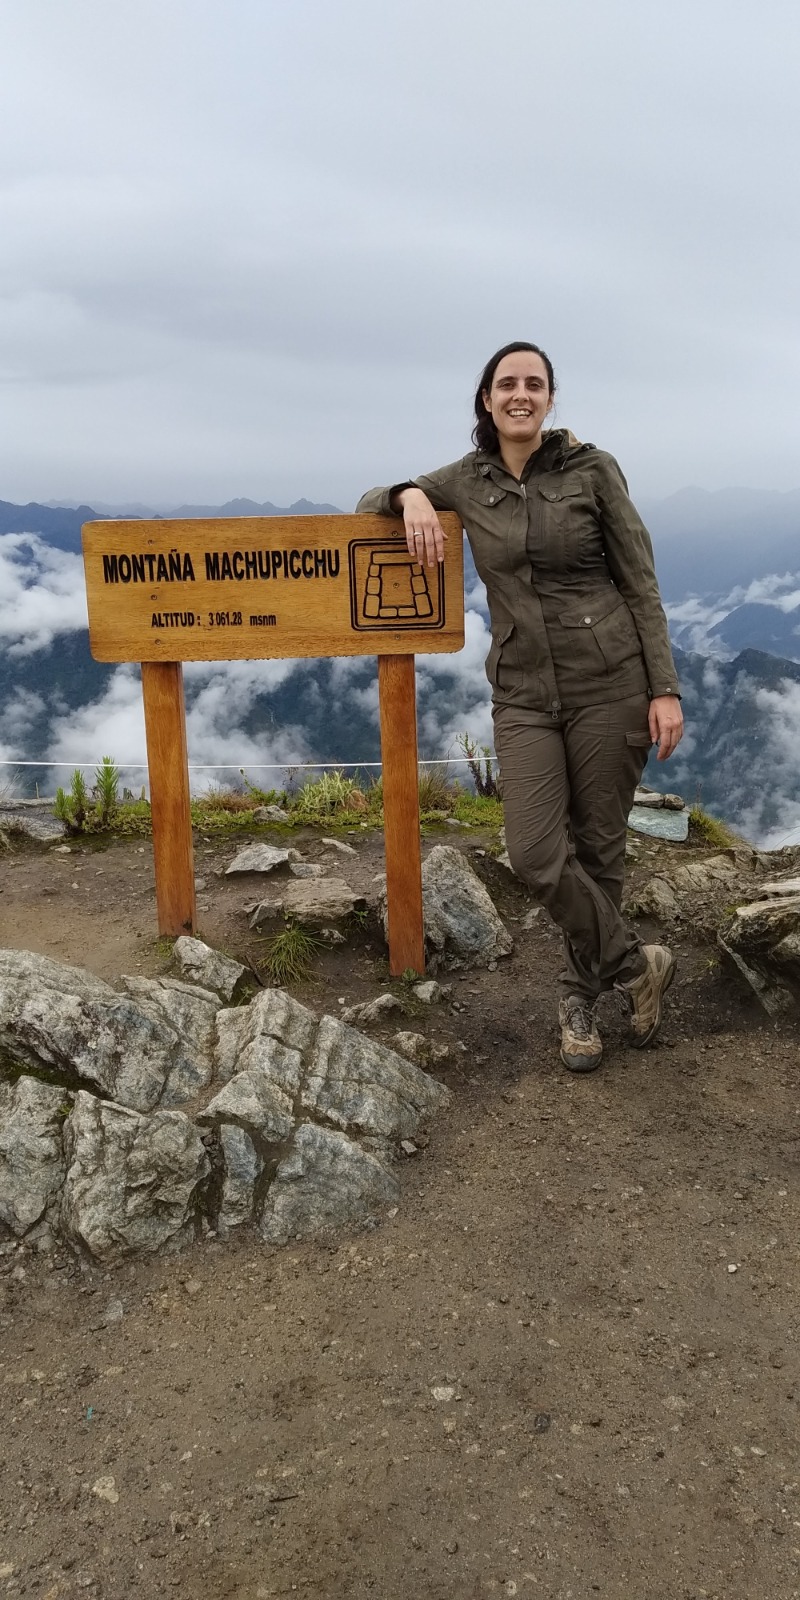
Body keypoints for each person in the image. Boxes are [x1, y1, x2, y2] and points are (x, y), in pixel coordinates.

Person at [357, 340, 683, 1073]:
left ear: (550, 399)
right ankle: (636, 967)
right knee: (536, 854)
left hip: (612, 683)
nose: (521, 394)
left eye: (534, 384)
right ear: (486, 399)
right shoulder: (467, 479)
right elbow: (370, 498)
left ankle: (578, 999)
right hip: (525, 693)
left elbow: (641, 582)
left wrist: (665, 688)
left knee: (598, 851)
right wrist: (408, 495)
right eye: (508, 384)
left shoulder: (593, 469)